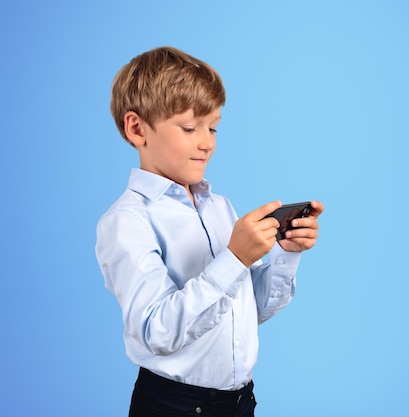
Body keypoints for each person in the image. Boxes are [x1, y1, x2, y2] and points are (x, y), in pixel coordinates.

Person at [95, 46, 323, 417]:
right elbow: (158, 332)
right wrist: (234, 258)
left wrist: (285, 252)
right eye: (189, 128)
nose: (208, 142)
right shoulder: (127, 221)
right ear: (137, 128)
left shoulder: (219, 207)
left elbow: (247, 309)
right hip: (175, 407)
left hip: (238, 403)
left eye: (213, 127)